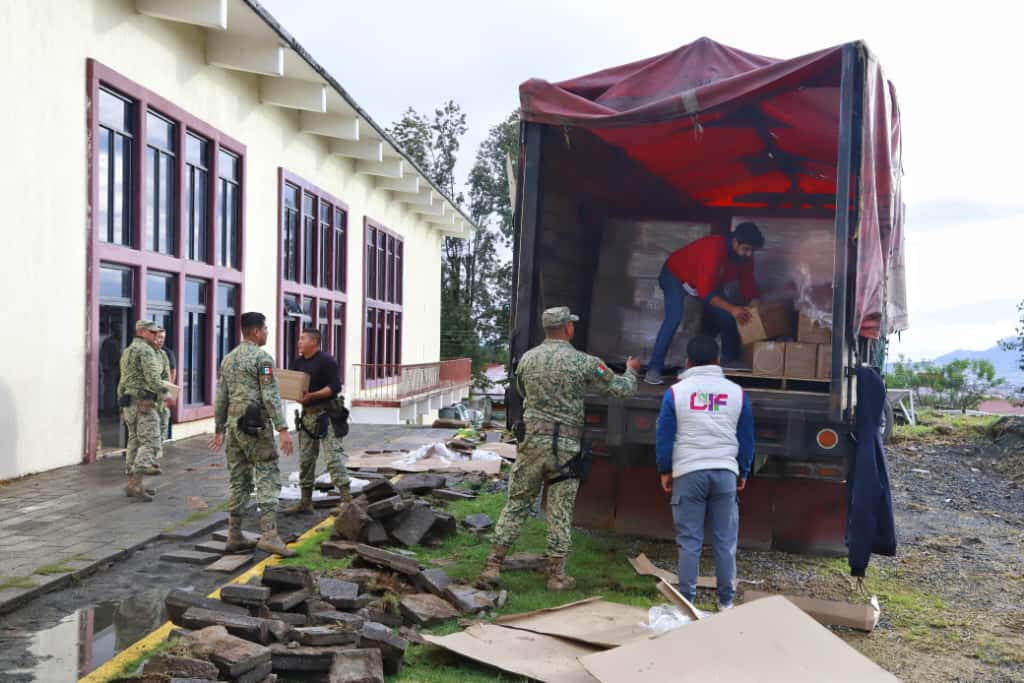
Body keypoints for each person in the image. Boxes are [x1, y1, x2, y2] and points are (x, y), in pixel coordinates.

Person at [478, 306, 640, 591]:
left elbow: (522, 392)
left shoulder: (527, 360)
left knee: (516, 503)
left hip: (531, 446)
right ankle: (556, 575)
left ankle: (492, 565)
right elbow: (620, 390)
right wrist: (631, 372)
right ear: (567, 328)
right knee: (560, 511)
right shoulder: (584, 362)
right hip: (565, 450)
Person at [655, 335, 754, 610]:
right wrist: (743, 470)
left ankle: (687, 603)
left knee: (689, 541)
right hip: (725, 473)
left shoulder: (676, 392)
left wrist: (665, 469)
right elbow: (746, 438)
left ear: (687, 362)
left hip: (688, 472)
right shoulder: (737, 392)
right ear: (718, 361)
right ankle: (726, 603)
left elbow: (664, 435)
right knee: (724, 541)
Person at [208, 312, 296, 556]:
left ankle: (234, 534)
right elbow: (269, 395)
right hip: (255, 424)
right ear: (256, 332)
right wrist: (283, 428)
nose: (267, 333)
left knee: (238, 478)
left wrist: (218, 428)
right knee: (266, 472)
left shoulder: (228, 359)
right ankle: (269, 535)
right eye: (266, 329)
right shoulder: (262, 358)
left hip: (234, 426)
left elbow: (221, 397)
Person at [645, 222, 766, 384]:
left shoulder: (745, 257)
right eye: (746, 249)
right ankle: (654, 368)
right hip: (676, 275)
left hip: (705, 283)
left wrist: (754, 301)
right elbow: (705, 292)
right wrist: (732, 308)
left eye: (752, 251)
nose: (749, 254)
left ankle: (729, 360)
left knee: (727, 316)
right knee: (673, 318)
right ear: (735, 241)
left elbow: (747, 282)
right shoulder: (714, 249)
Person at [283, 328, 351, 515]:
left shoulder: (327, 361)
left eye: (302, 339)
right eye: (299, 338)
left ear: (314, 342)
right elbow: (295, 383)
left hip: (327, 415)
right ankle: (305, 502)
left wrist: (313, 395)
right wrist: (297, 396)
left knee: (333, 458)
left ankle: (347, 501)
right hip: (307, 416)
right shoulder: (298, 361)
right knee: (306, 460)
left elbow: (335, 387)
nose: (298, 342)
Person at [117, 320, 167, 501]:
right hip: (144, 403)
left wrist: (121, 401)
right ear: (142, 332)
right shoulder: (146, 350)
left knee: (134, 442)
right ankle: (135, 485)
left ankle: (133, 484)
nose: (155, 336)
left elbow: (123, 379)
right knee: (152, 443)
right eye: (152, 333)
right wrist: (167, 393)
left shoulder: (128, 350)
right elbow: (153, 379)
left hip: (129, 401)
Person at [153, 330, 175, 464]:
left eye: (162, 337)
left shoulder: (167, 353)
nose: (160, 340)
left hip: (163, 395)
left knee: (163, 421)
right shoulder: (147, 353)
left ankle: (157, 447)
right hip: (150, 396)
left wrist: (169, 393)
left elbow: (173, 372)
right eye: (158, 337)